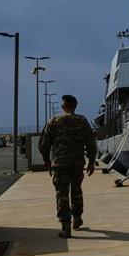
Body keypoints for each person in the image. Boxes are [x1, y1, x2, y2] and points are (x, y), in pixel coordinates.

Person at [39, 94, 96, 238]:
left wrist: (46, 160)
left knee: (62, 194)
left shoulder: (54, 121)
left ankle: (66, 227)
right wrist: (91, 162)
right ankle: (77, 219)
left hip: (59, 164)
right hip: (77, 164)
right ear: (75, 106)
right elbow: (90, 143)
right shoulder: (82, 121)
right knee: (76, 191)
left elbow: (44, 144)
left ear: (63, 107)